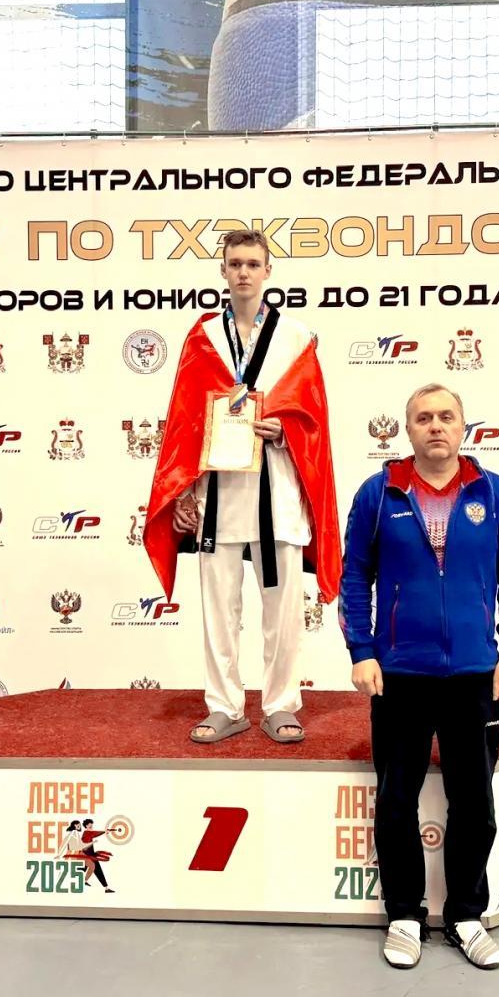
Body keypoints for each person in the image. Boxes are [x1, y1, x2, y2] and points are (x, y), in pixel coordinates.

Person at [341, 383, 499, 970]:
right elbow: (354, 577)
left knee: (473, 801)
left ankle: (467, 915)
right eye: (423, 418)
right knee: (396, 798)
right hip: (400, 673)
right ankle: (404, 914)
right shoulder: (378, 493)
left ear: (464, 426)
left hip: (475, 673)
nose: (435, 426)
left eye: (446, 416)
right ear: (408, 430)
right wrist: (361, 650)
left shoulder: (494, 493)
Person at [144, 230, 341, 745]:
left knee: (283, 610)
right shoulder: (204, 336)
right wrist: (183, 492)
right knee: (218, 609)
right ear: (223, 271)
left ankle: (281, 704)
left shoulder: (296, 336)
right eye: (235, 264)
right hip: (219, 494)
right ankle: (225, 706)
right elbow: (185, 422)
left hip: (278, 487)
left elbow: (313, 420)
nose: (244, 272)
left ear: (268, 271)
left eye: (253, 263)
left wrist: (285, 429)